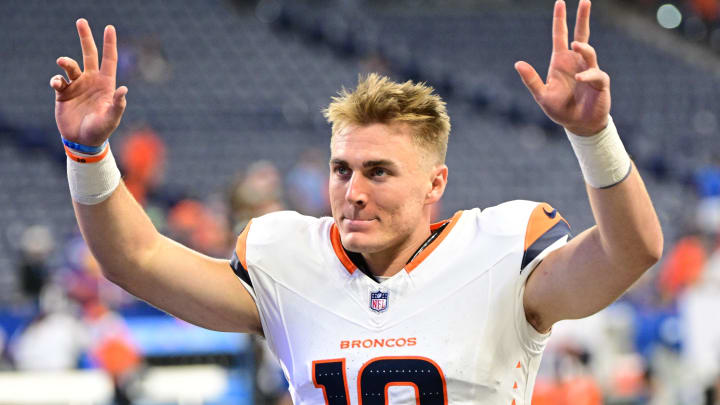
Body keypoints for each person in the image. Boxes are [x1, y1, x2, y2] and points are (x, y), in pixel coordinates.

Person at [49, 0, 662, 403]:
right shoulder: (289, 259)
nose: (353, 192)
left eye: (378, 171)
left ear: (435, 184)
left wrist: (592, 136)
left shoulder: (500, 251)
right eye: (342, 170)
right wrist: (87, 154)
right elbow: (134, 258)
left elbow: (631, 251)